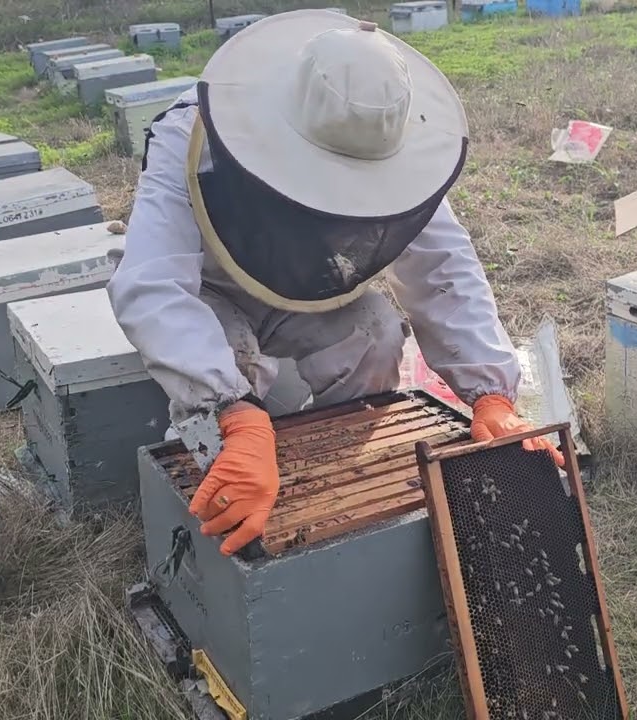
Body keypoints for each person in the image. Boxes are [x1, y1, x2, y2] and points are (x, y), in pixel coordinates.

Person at [107, 9, 564, 557]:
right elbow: (153, 282)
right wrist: (233, 409)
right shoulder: (192, 135)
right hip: (210, 292)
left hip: (308, 286)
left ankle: (343, 497)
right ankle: (221, 516)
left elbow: (444, 264)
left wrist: (490, 391)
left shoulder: (403, 155)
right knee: (235, 379)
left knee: (375, 331)